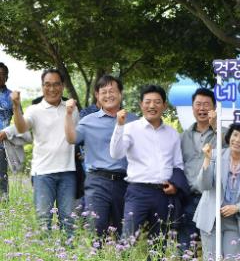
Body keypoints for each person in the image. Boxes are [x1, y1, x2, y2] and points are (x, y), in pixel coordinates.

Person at [109, 85, 187, 244]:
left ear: (164, 105)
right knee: (128, 239)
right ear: (141, 104)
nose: (152, 106)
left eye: (157, 102)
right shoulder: (130, 128)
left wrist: (175, 185)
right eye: (148, 102)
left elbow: (178, 164)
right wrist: (119, 126)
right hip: (138, 191)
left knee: (159, 243)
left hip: (163, 194)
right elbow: (116, 154)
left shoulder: (172, 133)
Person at [65, 75, 138, 237]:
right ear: (97, 96)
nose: (108, 95)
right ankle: (95, 253)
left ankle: (123, 254)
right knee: (96, 228)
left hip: (126, 182)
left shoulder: (134, 121)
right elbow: (71, 139)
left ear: (120, 94)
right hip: (97, 181)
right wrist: (68, 114)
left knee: (125, 231)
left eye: (112, 91)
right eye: (103, 92)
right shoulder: (88, 121)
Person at [12, 69, 79, 233]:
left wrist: (69, 112)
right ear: (42, 86)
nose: (52, 89)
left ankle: (67, 249)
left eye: (56, 84)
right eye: (47, 85)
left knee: (68, 220)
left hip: (68, 171)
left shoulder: (71, 108)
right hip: (42, 173)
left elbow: (75, 137)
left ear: (62, 86)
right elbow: (21, 128)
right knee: (43, 220)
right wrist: (16, 106)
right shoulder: (34, 110)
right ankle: (45, 250)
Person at [194, 124, 240, 261]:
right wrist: (207, 159)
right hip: (210, 218)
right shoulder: (214, 155)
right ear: (229, 136)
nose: (237, 140)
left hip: (235, 222)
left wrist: (238, 207)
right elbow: (203, 186)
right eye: (235, 135)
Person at [178, 87, 223, 254]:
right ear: (192, 108)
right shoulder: (183, 136)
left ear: (214, 108)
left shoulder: (224, 134)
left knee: (213, 247)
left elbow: (230, 152)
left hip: (212, 197)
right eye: (198, 104)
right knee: (185, 245)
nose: (202, 108)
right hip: (189, 197)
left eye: (206, 104)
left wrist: (216, 126)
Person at [0, 62, 13, 198]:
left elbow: (22, 122)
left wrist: (8, 132)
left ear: (6, 77)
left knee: (1, 177)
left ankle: (4, 206)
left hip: (2, 145)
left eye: (1, 74)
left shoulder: (11, 96)